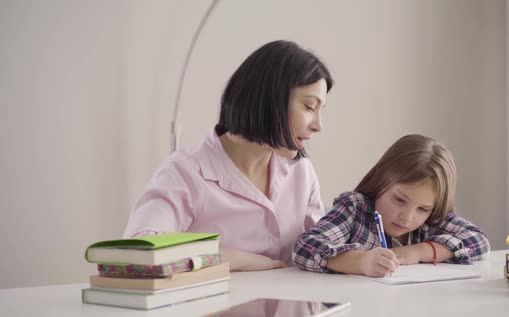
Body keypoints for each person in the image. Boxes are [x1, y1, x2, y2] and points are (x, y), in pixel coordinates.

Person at [123, 40, 333, 271]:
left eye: (321, 110)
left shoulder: (301, 171)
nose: (318, 125)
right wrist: (235, 259)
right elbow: (139, 250)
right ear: (269, 99)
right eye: (309, 107)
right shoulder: (185, 172)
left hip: (295, 306)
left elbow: (319, 250)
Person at [292, 134, 490, 277]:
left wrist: (418, 252)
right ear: (381, 180)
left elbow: (479, 241)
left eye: (422, 209)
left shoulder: (432, 219)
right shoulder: (355, 209)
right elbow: (304, 248)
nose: (407, 217)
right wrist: (361, 262)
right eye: (399, 200)